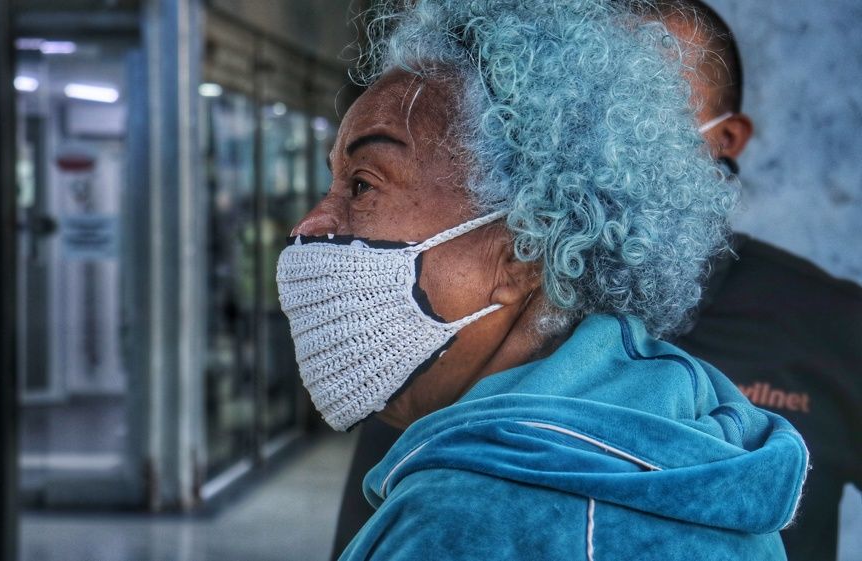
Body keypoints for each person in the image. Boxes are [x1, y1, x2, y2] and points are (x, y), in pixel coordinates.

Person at [330, 1, 862, 559]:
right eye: (576, 92)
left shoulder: (828, 321)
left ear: (726, 138)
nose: (600, 126)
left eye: (652, 101)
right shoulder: (457, 345)